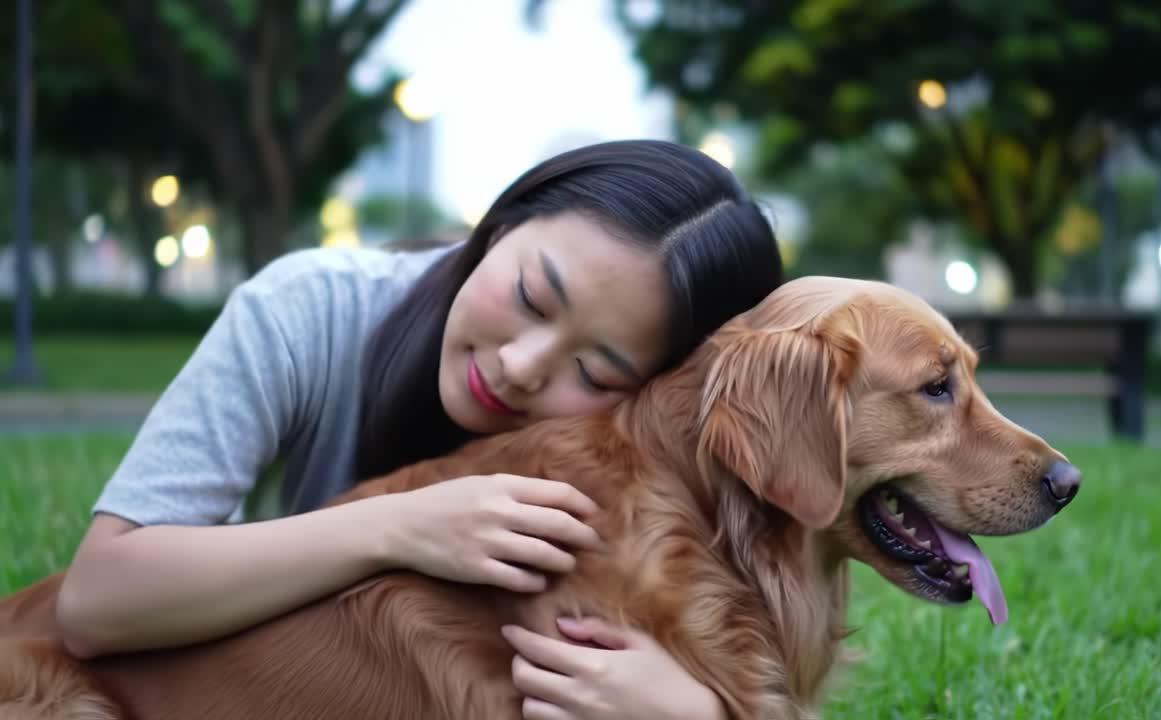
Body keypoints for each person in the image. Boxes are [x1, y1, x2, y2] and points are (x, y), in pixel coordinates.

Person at [54, 139, 784, 719]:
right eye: (532, 296)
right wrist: (400, 525)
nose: (521, 366)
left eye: (594, 372)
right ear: (503, 222)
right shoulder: (306, 310)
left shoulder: (632, 481)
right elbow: (96, 602)